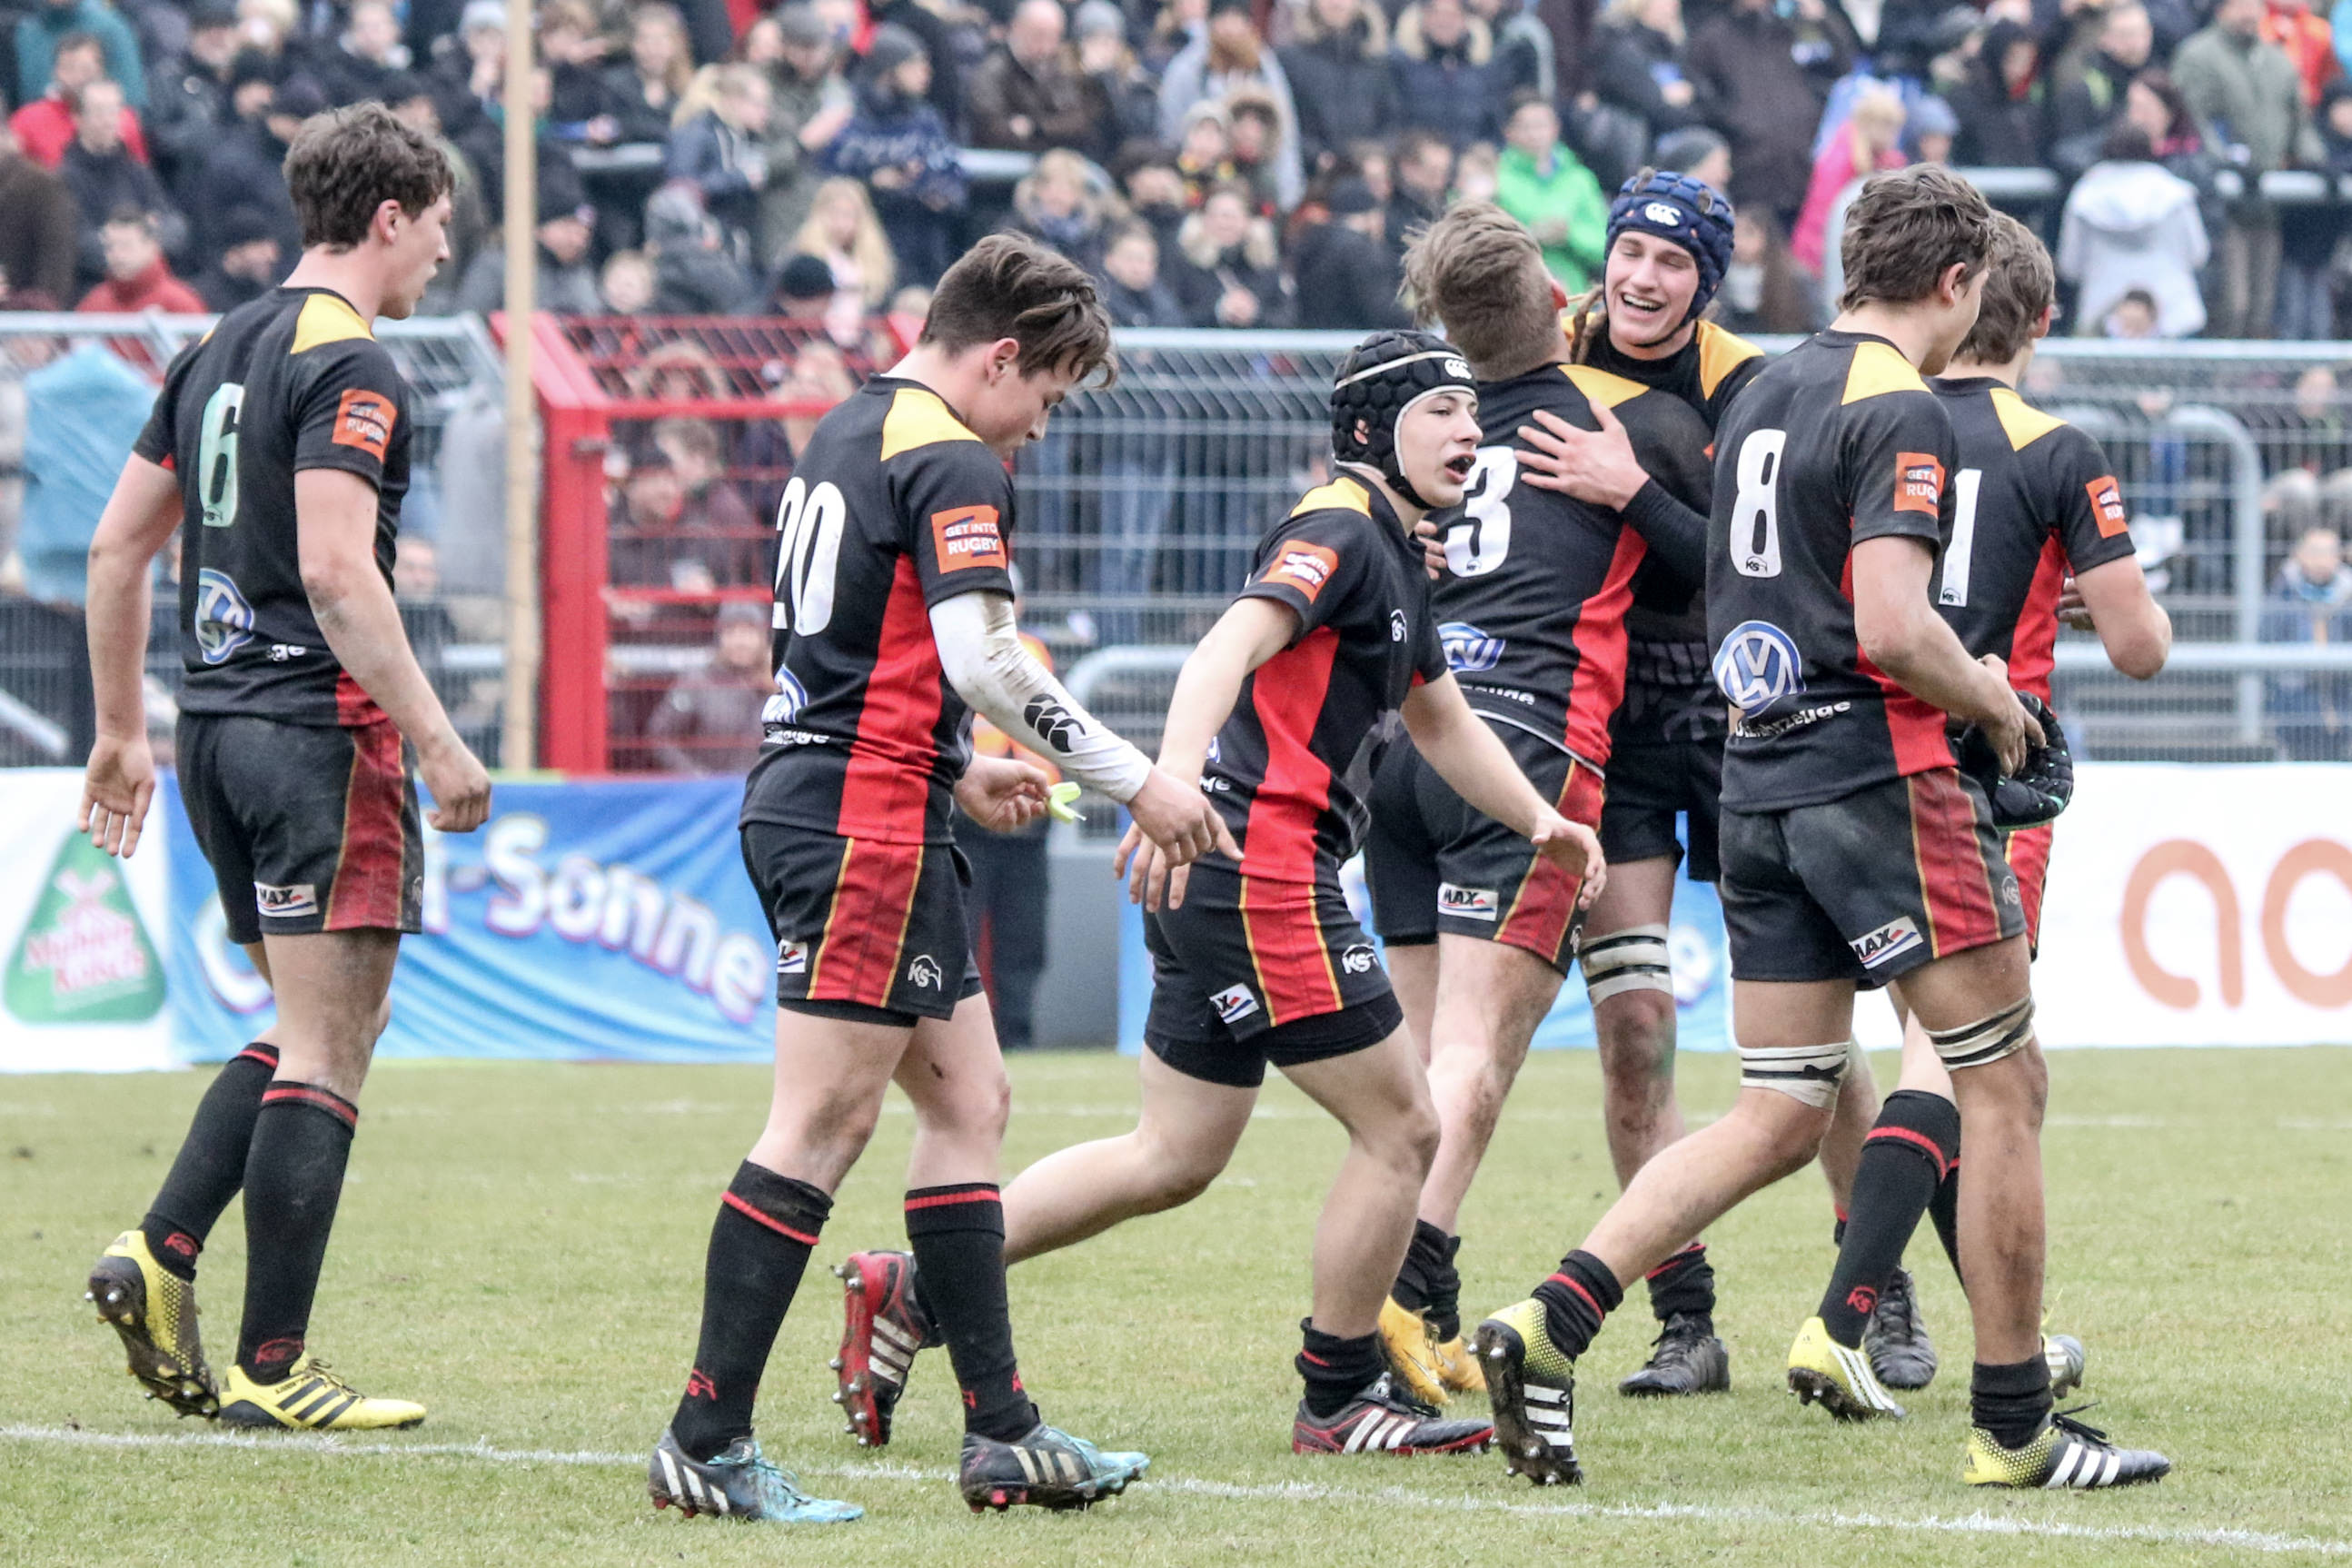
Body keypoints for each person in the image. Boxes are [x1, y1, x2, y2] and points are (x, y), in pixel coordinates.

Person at [1474, 164, 2169, 1493]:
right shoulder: (1896, 401)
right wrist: (1996, 703)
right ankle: (2015, 1423)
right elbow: (1896, 627)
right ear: (1957, 285)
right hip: (1878, 777)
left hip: (1756, 780)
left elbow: (1746, 573)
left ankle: (1547, 1317)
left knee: (1779, 1108)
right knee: (2001, 1081)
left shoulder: (1767, 386)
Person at [829, 328, 1606, 1460]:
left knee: (1174, 1153)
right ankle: (1338, 1395)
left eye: (1472, 415)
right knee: (1404, 1124)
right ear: (1369, 429)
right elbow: (1219, 652)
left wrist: (1540, 821)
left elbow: (1439, 717)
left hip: (1228, 874)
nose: (1468, 433)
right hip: (1259, 869)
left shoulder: (1392, 548)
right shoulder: (1340, 527)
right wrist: (1173, 784)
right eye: (1441, 412)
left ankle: (914, 1287)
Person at [643, 233, 1227, 1523]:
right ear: (1001, 358)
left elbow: (852, 646)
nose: (1037, 432)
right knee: (821, 1124)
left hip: (864, 796)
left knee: (971, 1100)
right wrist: (1140, 780)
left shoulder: (850, 427)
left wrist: (957, 770)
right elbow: (986, 657)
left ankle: (1001, 1431)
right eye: (1046, 398)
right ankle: (705, 1437)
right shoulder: (952, 454)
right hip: (857, 821)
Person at [78, 102, 491, 1435]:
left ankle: (160, 1251)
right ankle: (272, 1363)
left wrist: (119, 730)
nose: (443, 252)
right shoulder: (352, 362)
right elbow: (334, 569)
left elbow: (115, 550)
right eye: (438, 226)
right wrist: (437, 736)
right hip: (318, 734)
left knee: (312, 1026)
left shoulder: (213, 346)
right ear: (389, 216)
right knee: (331, 1041)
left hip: (212, 732)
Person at [1792, 213, 2169, 1401]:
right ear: (2042, 319)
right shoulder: (2055, 448)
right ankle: (1844, 1317)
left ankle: (2000, 1332)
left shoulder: (1868, 413)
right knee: (1957, 1056)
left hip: (1834, 756)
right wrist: (2086, 598)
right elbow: (2142, 646)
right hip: (1982, 774)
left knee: (1928, 1062)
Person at [1355, 203, 1712, 1408]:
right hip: (1528, 752)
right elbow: (1729, 563)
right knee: (1474, 1054)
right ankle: (1407, 1297)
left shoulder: (1439, 433)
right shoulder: (1618, 428)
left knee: (1418, 1067)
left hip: (1411, 742)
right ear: (1560, 301)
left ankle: (1384, 1308)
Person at [2174, 0, 2322, 338]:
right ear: (2220, 9)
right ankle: (2217, 369)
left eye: (2255, 5)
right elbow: (2194, 119)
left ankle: (2255, 369)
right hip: (2220, 204)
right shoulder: (2198, 55)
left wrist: (2316, 160)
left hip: (2267, 199)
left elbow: (2298, 123)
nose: (2249, 13)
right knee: (2231, 302)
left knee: (2263, 305)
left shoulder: (2277, 60)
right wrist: (2224, 162)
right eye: (2239, 5)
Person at [1686, 0, 1855, 229]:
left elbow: (1841, 67)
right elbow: (1701, 102)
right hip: (1749, 179)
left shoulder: (1793, 29)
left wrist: (1821, 21)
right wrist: (1742, 127)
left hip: (1801, 171)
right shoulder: (1711, 39)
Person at [821, 25, 966, 288]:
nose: (925, 73)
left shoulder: (926, 119)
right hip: (864, 243)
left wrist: (935, 190)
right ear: (889, 70)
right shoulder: (851, 115)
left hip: (924, 243)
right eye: (915, 65)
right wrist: (872, 183)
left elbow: (953, 179)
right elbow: (825, 178)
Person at [2057, 124, 2209, 338]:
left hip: (2102, 319)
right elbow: (2198, 254)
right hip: (2175, 315)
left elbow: (2070, 266)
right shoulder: (2175, 194)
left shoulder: (2084, 195)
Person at [58, 79, 183, 288]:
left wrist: (136, 247)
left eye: (114, 112)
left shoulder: (138, 172)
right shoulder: (62, 179)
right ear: (78, 118)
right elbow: (79, 244)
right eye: (99, 113)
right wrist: (139, 241)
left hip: (149, 286)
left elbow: (175, 226)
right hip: (93, 288)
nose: (109, 121)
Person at [1493, 93, 1607, 292]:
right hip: (1511, 291)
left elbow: (1603, 245)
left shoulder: (1580, 179)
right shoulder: (1494, 177)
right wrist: (1529, 235)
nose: (1534, 134)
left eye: (1541, 125)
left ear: (1555, 128)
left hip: (1572, 295)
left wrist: (1569, 235)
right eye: (1526, 126)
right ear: (1508, 132)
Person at [647, 600, 774, 772]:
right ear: (718, 637)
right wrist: (695, 776)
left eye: (749, 632)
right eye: (731, 632)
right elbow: (660, 736)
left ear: (764, 638)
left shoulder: (781, 683)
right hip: (708, 785)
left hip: (765, 785)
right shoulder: (697, 680)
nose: (741, 642)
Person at [2261, 523, 2352, 757]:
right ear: (2299, 555)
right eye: (2315, 552)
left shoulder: (2348, 594)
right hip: (2295, 697)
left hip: (2343, 693)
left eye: (2328, 552)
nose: (2321, 560)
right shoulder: (2282, 592)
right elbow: (2267, 639)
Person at [967, 0, 1098, 156]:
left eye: (1054, 37)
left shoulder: (1060, 68)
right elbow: (993, 131)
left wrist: (1036, 128)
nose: (1047, 47)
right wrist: (1052, 130)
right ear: (1017, 28)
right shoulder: (991, 73)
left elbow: (1081, 122)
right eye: (1039, 35)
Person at [1279, 0, 1396, 174]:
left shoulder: (1377, 62)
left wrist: (1375, 156)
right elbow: (1283, 122)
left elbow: (1392, 122)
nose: (1336, 3)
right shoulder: (1290, 60)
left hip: (1367, 172)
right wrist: (1315, 156)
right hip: (1310, 174)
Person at [11, 36, 152, 169]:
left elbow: (140, 172)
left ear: (100, 71)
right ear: (55, 72)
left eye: (86, 69)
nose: (77, 77)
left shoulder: (123, 118)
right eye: (69, 68)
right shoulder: (27, 120)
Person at [1289, 178, 1410, 329]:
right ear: (1371, 216)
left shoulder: (1311, 242)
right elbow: (1381, 310)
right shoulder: (1362, 251)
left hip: (1313, 337)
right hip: (1355, 337)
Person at [1390, 0, 1504, 151]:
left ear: (1465, 21)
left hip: (1468, 156)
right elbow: (1392, 121)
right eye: (1436, 13)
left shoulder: (1482, 69)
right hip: (1417, 156)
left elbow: (1493, 125)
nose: (1444, 21)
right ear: (1423, 17)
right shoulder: (1400, 65)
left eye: (1453, 15)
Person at [74, 206, 204, 314]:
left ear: (151, 246)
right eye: (110, 247)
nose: (117, 255)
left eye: (126, 246)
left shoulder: (180, 305)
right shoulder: (93, 305)